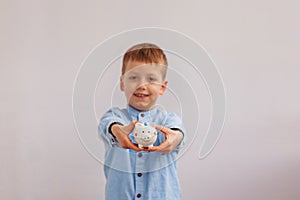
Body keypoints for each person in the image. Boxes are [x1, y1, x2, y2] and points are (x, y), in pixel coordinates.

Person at [98, 43, 186, 200]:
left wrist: (174, 139)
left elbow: (178, 133)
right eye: (133, 77)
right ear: (122, 83)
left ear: (162, 87)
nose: (141, 85)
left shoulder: (168, 120)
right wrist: (117, 131)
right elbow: (108, 126)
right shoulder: (114, 116)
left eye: (151, 79)